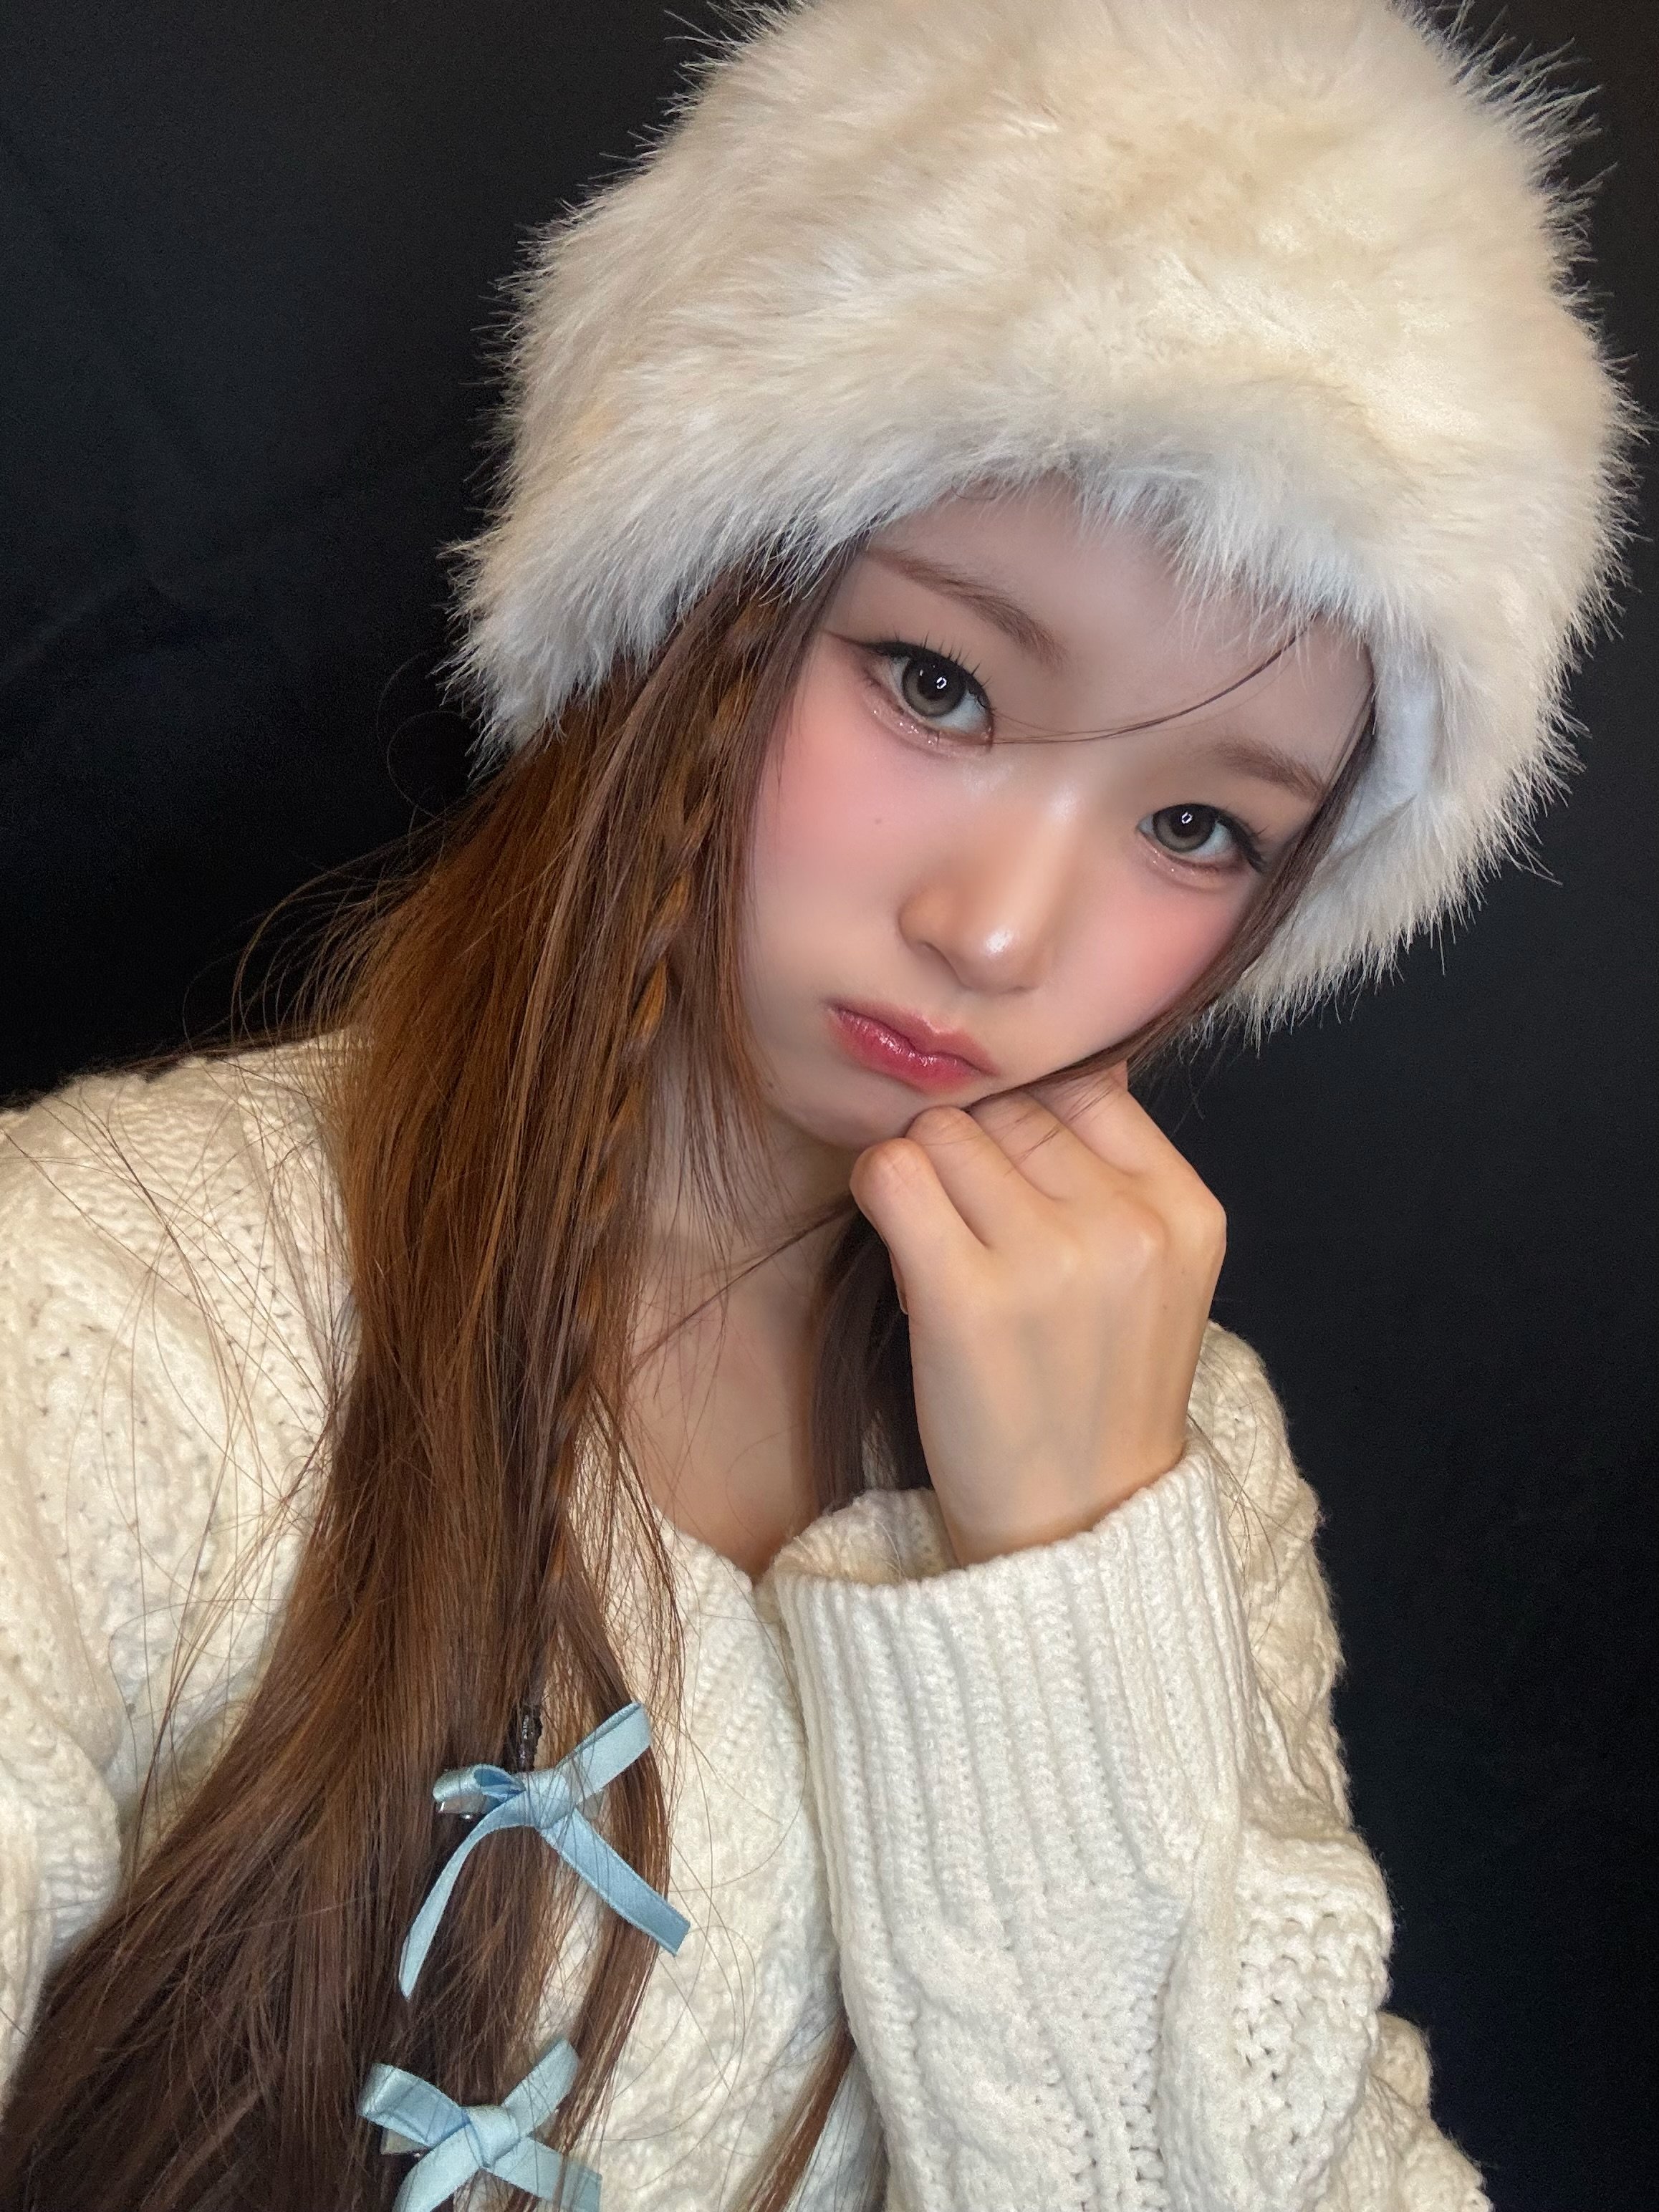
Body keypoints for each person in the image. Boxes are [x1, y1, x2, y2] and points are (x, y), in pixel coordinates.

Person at [0, 1, 1627, 2207]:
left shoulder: (1172, 1454)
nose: (997, 930)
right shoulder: (104, 1311)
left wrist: (1072, 1582)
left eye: (1196, 828)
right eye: (935, 683)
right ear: (678, 603)